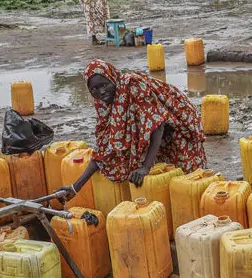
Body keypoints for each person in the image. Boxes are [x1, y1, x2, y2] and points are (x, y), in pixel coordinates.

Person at [59, 60, 206, 199]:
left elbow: (158, 125)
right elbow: (104, 148)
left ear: (112, 78)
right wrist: (75, 187)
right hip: (156, 132)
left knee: (188, 181)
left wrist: (145, 167)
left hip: (177, 126)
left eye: (104, 84)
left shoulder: (132, 85)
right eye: (94, 89)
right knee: (163, 179)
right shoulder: (103, 105)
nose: (101, 92)